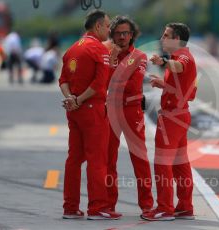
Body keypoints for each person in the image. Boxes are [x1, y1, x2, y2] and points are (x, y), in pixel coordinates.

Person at [59, 9, 121, 220]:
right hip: (92, 110)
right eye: (107, 26)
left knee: (74, 159)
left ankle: (70, 207)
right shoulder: (98, 49)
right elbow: (99, 84)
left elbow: (63, 81)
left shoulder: (72, 49)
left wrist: (71, 99)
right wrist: (80, 100)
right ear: (97, 27)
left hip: (74, 112)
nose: (109, 30)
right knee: (97, 159)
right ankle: (98, 207)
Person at [141, 22, 197, 221]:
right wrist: (163, 84)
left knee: (162, 163)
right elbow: (187, 91)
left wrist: (163, 61)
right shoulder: (182, 56)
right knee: (180, 164)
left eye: (166, 35)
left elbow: (180, 66)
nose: (162, 38)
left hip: (172, 117)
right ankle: (184, 206)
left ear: (177, 39)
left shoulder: (182, 57)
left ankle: (165, 208)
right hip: (180, 114)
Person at [104, 15, 153, 216]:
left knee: (139, 158)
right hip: (111, 111)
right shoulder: (106, 53)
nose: (123, 37)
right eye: (118, 33)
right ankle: (107, 204)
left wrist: (113, 69)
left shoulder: (140, 56)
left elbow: (131, 85)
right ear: (112, 35)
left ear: (132, 35)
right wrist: (113, 62)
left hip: (132, 111)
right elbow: (103, 83)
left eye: (126, 33)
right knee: (108, 158)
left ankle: (147, 205)